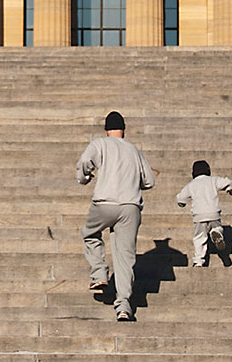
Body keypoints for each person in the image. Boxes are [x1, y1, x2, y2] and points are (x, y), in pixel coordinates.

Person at [76, 110, 155, 322]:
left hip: (105, 202)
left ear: (106, 130)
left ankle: (100, 274)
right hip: (130, 206)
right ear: (124, 131)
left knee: (90, 233)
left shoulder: (99, 144)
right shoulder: (134, 150)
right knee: (125, 256)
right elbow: (149, 181)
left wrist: (84, 177)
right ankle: (123, 306)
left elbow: (85, 162)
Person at [176, 160, 232, 267]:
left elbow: (180, 199)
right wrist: (231, 189)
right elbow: (229, 182)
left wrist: (182, 204)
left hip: (199, 215)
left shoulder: (191, 185)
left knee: (199, 237)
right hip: (213, 213)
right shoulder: (213, 180)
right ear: (208, 171)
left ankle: (198, 261)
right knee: (217, 226)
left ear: (193, 173)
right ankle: (216, 232)